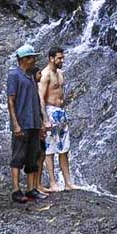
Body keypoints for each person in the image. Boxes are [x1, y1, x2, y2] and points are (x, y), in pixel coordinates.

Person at [6, 44, 45, 203]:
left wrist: (41, 123)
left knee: (33, 156)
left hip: (34, 122)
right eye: (32, 57)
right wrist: (15, 124)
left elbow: (35, 99)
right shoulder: (14, 75)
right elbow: (11, 100)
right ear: (23, 59)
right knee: (18, 156)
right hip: (22, 123)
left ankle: (31, 189)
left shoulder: (30, 76)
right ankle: (16, 190)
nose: (34, 60)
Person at [38, 47, 76, 191]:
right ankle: (53, 182)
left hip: (61, 113)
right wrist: (45, 119)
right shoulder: (45, 74)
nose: (62, 60)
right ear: (51, 58)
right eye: (59, 58)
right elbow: (41, 97)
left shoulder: (60, 73)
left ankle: (68, 182)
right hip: (50, 111)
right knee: (49, 149)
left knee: (64, 149)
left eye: (62, 57)